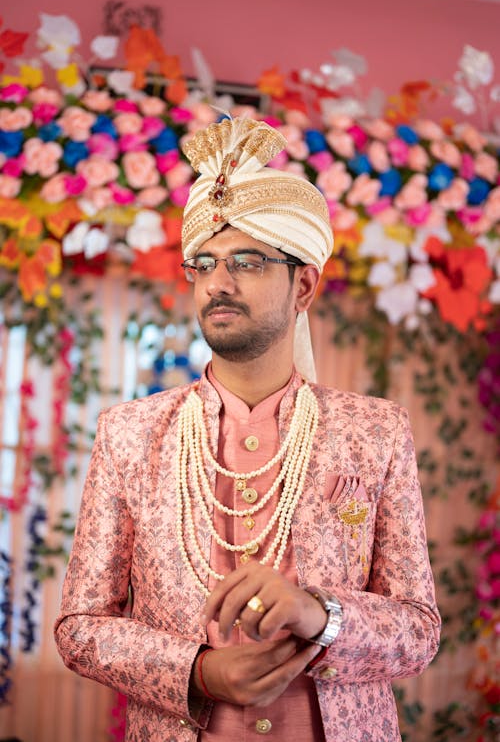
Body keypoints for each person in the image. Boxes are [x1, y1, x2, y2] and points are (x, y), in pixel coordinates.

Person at [54, 117, 441, 742]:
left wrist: (319, 613)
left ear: (304, 285)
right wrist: (200, 673)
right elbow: (79, 625)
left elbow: (418, 631)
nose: (218, 282)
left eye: (248, 261)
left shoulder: (373, 431)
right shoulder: (130, 433)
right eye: (203, 262)